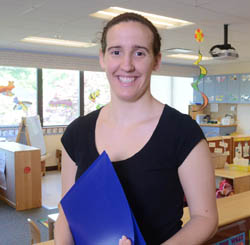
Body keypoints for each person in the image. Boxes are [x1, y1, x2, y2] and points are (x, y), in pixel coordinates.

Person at [54, 12, 218, 245]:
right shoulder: (77, 133)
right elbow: (67, 212)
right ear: (102, 58)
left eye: (139, 53)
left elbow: (205, 219)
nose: (127, 65)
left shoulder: (183, 133)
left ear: (157, 60)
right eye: (116, 52)